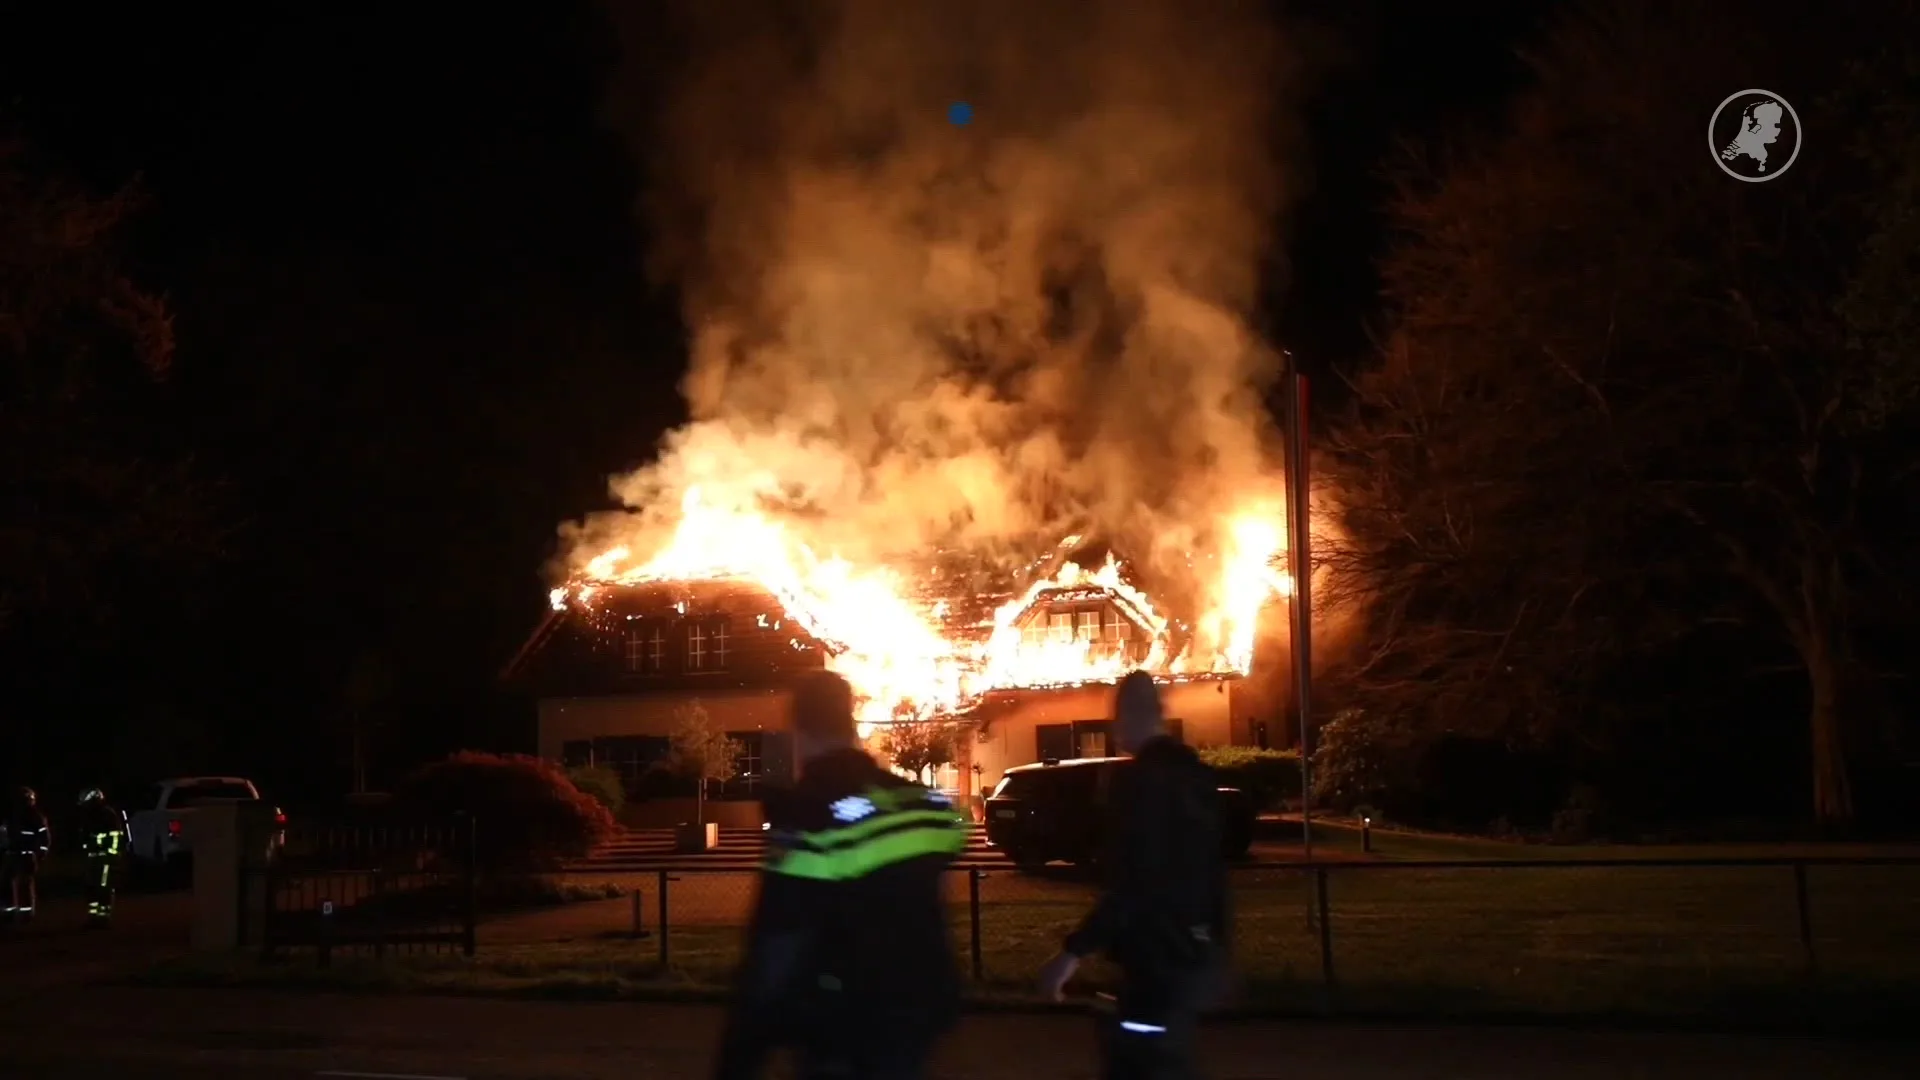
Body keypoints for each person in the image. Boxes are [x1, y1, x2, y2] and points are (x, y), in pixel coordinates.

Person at [712, 670, 969, 1080]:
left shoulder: (810, 818)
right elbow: (935, 895)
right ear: (852, 724)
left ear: (798, 730)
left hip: (845, 1024)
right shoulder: (923, 805)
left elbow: (776, 951)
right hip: (918, 1010)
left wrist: (738, 1058)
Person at [1037, 670, 1232, 1080]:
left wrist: (1072, 953)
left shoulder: (1139, 783)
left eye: (1116, 716)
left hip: (1152, 961)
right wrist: (1217, 953)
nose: (1113, 727)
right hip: (1189, 957)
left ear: (1129, 716)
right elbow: (1212, 871)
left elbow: (1132, 883)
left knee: (1138, 1063)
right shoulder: (1196, 778)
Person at [77, 788, 127, 927]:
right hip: (92, 857)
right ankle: (93, 917)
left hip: (105, 857)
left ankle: (104, 917)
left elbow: (116, 835)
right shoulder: (87, 816)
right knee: (91, 887)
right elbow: (84, 837)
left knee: (104, 887)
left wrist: (112, 853)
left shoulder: (108, 814)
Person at [5, 786, 52, 923]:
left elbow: (45, 837)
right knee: (6, 883)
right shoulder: (12, 816)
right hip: (12, 854)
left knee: (24, 883)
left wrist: (41, 853)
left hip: (26, 855)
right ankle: (8, 912)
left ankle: (26, 913)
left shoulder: (36, 816)